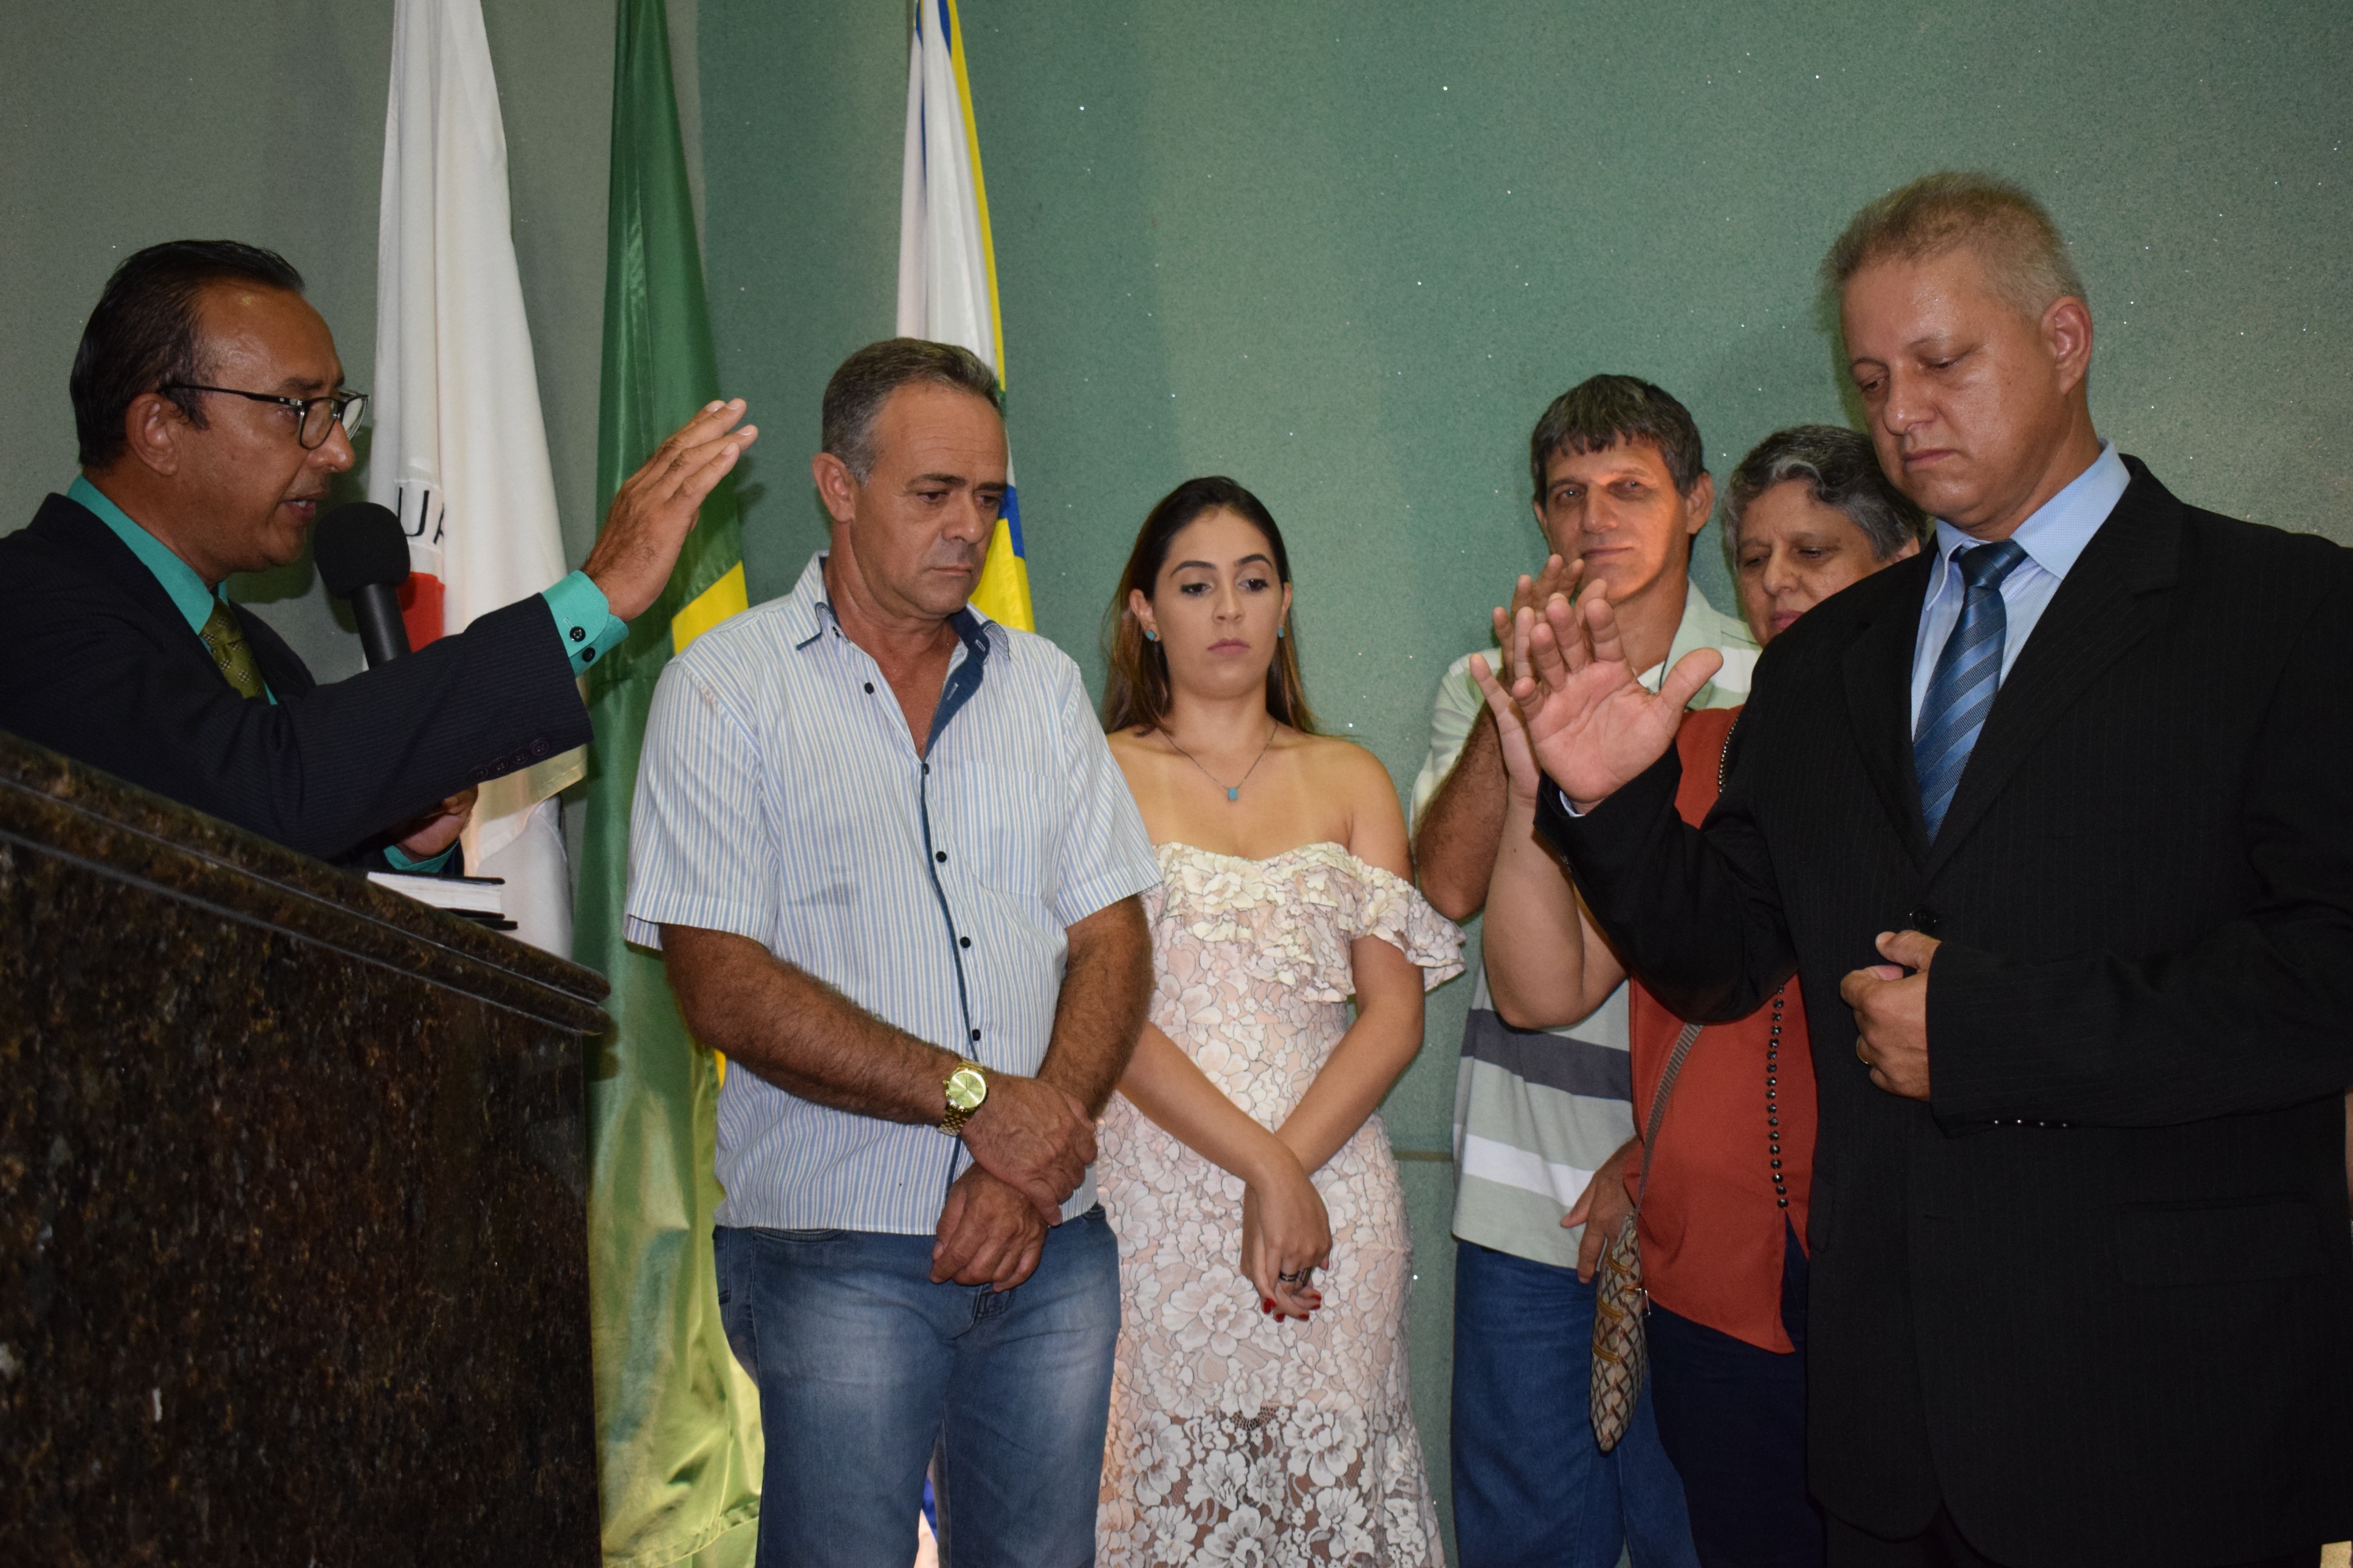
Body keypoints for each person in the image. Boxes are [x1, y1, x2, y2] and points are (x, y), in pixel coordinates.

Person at [1515, 173, 2353, 1568]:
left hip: (2170, 1403)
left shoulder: (2287, 610)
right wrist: (1608, 802)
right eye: (1870, 380)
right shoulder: (1826, 660)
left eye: (1942, 362)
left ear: (2064, 339)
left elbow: (2330, 971)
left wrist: (1991, 1029)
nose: (1901, 410)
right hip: (1893, 1418)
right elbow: (1722, 957)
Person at [628, 338, 1160, 1568]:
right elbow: (721, 986)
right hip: (834, 1249)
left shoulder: (1042, 686)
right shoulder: (724, 689)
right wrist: (977, 1103)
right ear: (837, 484)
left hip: (1050, 1240)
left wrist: (1028, 1161)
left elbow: (1112, 938)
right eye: (933, 493)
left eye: (989, 497)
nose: (968, 527)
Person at [1474, 424, 1925, 1567]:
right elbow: (1540, 991)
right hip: (1719, 1276)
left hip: (1913, 1272)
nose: (1777, 584)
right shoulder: (1683, 746)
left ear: (1905, 562)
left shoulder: (1961, 757)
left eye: (1813, 553)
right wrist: (1534, 792)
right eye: (1756, 559)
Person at [0, 239, 752, 867]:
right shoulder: (26, 601)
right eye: (299, 409)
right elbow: (257, 791)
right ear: (160, 429)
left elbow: (266, 867)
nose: (336, 451)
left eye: (336, 410)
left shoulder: (258, 656)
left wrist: (401, 843)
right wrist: (594, 595)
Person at [1409, 375, 1755, 1568]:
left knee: (1692, 1534)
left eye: (1627, 488)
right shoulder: (1481, 677)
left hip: (1699, 1190)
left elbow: (1759, 964)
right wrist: (1518, 699)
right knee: (1526, 1538)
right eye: (1567, 495)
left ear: (1696, 503)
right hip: (1521, 1192)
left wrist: (1658, 1149)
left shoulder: (1759, 678)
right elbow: (1442, 889)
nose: (1594, 518)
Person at [1091, 476, 1464, 1566]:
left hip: (1332, 1186)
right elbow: (1105, 1012)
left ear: (1285, 603)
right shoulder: (1095, 773)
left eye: (1253, 583)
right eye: (1194, 585)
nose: (1228, 610)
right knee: (1171, 1509)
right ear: (1144, 611)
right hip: (1152, 1203)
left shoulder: (1348, 775)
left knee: (1329, 1499)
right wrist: (1264, 1167)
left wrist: (1290, 1169)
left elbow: (1393, 1015)